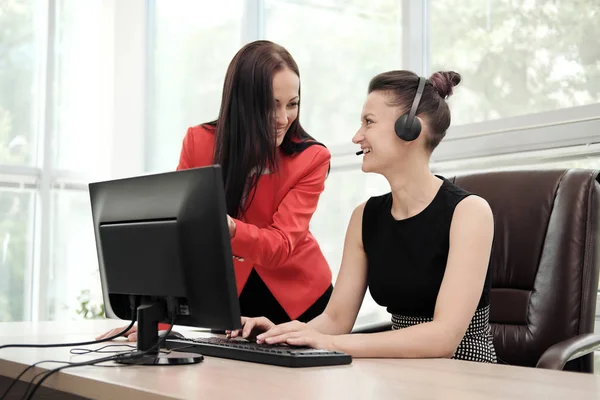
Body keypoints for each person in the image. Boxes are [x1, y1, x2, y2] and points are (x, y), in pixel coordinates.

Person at [229, 70, 497, 363]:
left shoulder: (470, 213)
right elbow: (335, 318)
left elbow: (443, 338)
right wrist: (284, 334)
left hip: (464, 372)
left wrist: (328, 342)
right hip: (400, 372)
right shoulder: (364, 218)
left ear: (410, 129)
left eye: (368, 122)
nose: (357, 136)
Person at [97, 40, 333, 342]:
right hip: (229, 299)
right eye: (271, 104)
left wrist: (231, 229)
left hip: (301, 301)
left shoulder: (311, 158)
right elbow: (175, 242)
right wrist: (151, 324)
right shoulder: (199, 143)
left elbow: (281, 245)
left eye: (292, 104)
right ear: (243, 100)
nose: (283, 118)